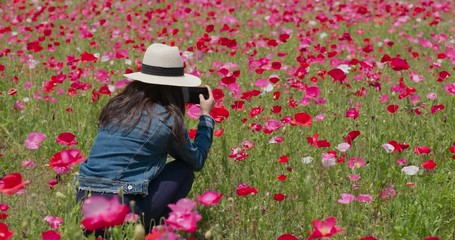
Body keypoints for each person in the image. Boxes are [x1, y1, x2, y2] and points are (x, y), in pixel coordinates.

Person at [76, 43, 215, 235]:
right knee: (184, 170)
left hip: (85, 204)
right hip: (120, 210)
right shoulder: (167, 119)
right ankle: (151, 233)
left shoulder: (117, 106)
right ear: (176, 87)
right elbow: (196, 160)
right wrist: (206, 116)